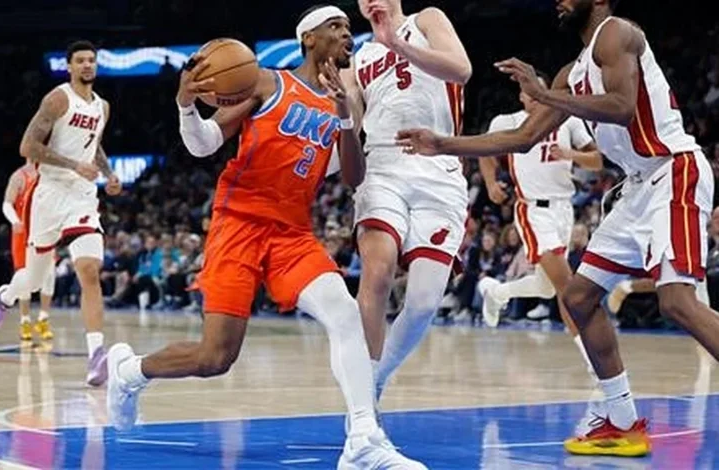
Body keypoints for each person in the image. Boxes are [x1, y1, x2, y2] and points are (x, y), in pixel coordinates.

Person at [105, 6, 425, 468]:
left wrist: (344, 117)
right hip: (239, 224)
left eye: (347, 28)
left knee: (344, 313)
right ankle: (130, 371)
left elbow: (353, 176)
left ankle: (363, 439)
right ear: (308, 38)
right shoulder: (266, 83)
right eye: (335, 26)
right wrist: (186, 105)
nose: (346, 34)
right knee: (216, 357)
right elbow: (203, 144)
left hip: (292, 233)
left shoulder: (346, 102)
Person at [396, 0, 719, 457]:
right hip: (637, 188)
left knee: (677, 302)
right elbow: (524, 137)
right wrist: (443, 144)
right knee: (578, 297)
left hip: (673, 171)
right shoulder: (572, 72)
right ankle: (622, 420)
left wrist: (545, 95)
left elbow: (622, 107)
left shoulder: (617, 32)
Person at [345, 0, 472, 411]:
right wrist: (339, 101)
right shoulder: (358, 57)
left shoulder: (428, 19)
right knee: (377, 273)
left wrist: (397, 45)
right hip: (382, 167)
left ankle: (377, 379)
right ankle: (363, 401)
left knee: (422, 303)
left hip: (438, 167)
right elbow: (353, 121)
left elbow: (461, 70)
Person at [0, 40, 122, 387]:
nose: (87, 65)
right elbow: (27, 147)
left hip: (82, 198)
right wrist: (74, 165)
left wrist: (108, 173)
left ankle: (96, 355)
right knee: (32, 280)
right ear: (69, 66)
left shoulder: (102, 107)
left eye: (91, 60)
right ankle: (5, 297)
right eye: (80, 61)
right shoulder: (57, 99)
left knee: (89, 270)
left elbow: (94, 146)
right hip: (48, 195)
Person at [476, 71, 602, 378]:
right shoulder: (507, 122)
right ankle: (594, 360)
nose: (532, 96)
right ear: (521, 96)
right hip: (534, 211)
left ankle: (497, 292)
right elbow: (484, 151)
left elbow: (597, 161)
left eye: (537, 91)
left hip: (564, 211)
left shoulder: (568, 120)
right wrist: (491, 183)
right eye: (527, 92)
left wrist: (570, 154)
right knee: (567, 287)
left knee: (546, 289)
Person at [2, 162, 56, 342]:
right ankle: (25, 321)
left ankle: (43, 319)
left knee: (50, 275)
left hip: (46, 230)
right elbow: (7, 203)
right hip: (24, 233)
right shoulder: (20, 176)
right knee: (25, 277)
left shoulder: (51, 174)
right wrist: (14, 220)